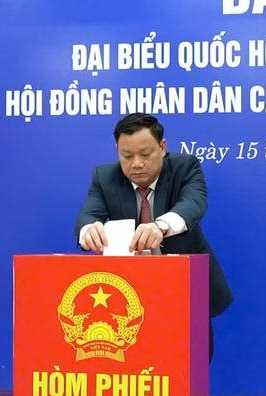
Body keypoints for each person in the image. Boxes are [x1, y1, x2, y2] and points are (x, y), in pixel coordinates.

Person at [76, 113, 233, 355]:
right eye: (127, 156)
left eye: (145, 154)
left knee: (193, 362)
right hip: (129, 297)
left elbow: (193, 204)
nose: (136, 163)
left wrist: (160, 227)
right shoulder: (104, 177)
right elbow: (88, 215)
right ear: (117, 150)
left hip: (183, 291)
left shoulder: (185, 167)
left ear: (162, 147)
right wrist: (89, 230)